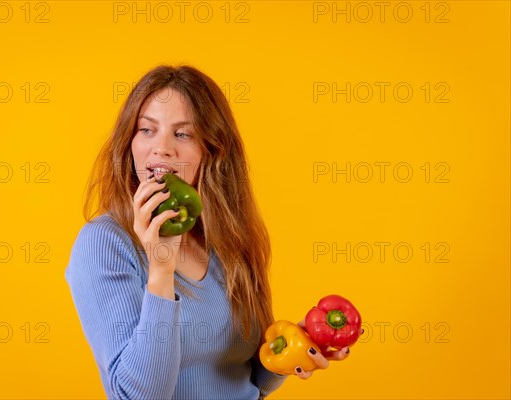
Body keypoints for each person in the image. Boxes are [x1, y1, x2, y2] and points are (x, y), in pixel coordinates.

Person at [65, 65, 349, 400]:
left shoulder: (227, 236)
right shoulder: (105, 244)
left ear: (211, 151)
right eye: (146, 130)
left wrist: (290, 350)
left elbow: (251, 381)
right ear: (129, 142)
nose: (162, 148)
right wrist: (161, 269)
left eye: (182, 134)